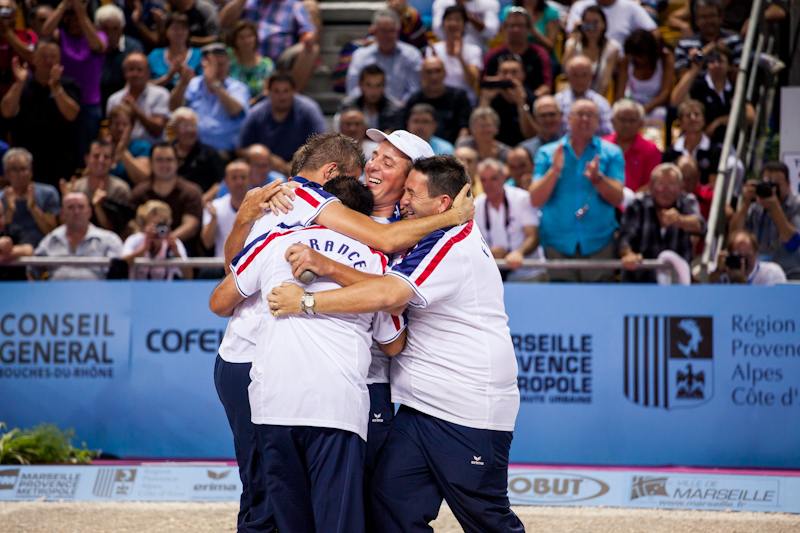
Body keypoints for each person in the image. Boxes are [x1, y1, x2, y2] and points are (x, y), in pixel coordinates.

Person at [208, 131, 470, 533]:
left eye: (388, 161)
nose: (372, 167)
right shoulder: (302, 200)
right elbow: (231, 279)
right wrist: (245, 219)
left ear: (413, 181)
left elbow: (390, 295)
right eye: (373, 158)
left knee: (348, 501)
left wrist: (317, 284)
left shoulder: (412, 227)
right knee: (270, 500)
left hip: (355, 380)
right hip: (265, 361)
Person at [266, 154, 524, 533]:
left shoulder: (451, 243)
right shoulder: (430, 237)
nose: (402, 200)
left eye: (411, 194)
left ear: (443, 205)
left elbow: (390, 295)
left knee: (486, 519)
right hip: (421, 407)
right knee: (389, 507)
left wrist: (307, 301)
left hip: (467, 410)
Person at [211, 178, 407, 533]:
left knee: (288, 522)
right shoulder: (376, 264)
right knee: (339, 522)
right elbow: (393, 342)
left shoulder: (275, 242)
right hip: (337, 406)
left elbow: (219, 302)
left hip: (274, 403)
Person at [530, 98, 624, 282]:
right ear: (569, 119)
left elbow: (617, 198)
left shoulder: (612, 152)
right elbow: (535, 199)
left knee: (600, 306)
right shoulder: (547, 153)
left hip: (600, 243)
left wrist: (599, 178)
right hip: (557, 244)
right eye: (580, 114)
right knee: (562, 307)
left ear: (598, 121)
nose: (584, 119)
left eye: (590, 115)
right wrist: (554, 171)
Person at [1, 41, 81, 188]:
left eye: (53, 56)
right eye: (43, 56)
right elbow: (6, 111)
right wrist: (18, 83)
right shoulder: (23, 86)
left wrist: (55, 87)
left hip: (59, 161)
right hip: (27, 163)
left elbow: (71, 114)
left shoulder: (69, 85)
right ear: (34, 58)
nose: (48, 61)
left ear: (59, 60)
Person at [42, 0, 108, 160]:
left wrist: (81, 12)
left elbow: (98, 47)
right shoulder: (61, 36)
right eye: (72, 19)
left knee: (87, 151)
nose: (76, 22)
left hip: (89, 103)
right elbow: (45, 32)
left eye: (79, 19)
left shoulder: (99, 36)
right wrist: (64, 4)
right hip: (62, 99)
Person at [618, 163, 706, 283]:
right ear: (651, 186)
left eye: (672, 184)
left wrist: (680, 220)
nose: (666, 190)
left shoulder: (687, 201)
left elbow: (700, 226)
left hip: (677, 283)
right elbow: (625, 237)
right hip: (640, 282)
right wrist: (628, 255)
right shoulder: (638, 204)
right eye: (660, 184)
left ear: (681, 187)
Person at [237, 71, 328, 176]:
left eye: (286, 91)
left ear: (294, 91)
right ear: (269, 92)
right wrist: (267, 158)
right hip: (264, 172)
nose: (282, 96)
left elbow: (324, 144)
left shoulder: (309, 110)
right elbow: (241, 149)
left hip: (303, 170)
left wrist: (298, 162)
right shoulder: (257, 113)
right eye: (276, 91)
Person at [219, 0, 319, 92]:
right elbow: (222, 23)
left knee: (311, 49)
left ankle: (289, 100)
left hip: (281, 63)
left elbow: (308, 31)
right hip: (245, 59)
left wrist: (308, 38)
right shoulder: (246, 3)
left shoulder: (293, 5)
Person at [170, 42, 250, 155]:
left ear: (228, 65)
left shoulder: (237, 87)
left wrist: (215, 84)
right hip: (192, 150)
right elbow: (174, 107)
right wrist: (183, 83)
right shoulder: (194, 84)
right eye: (213, 65)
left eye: (221, 65)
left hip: (223, 152)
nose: (217, 69)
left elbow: (235, 110)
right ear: (203, 65)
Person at [476, 158, 545, 281]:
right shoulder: (476, 205)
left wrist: (519, 253)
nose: (489, 185)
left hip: (528, 274)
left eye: (493, 178)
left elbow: (533, 236)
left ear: (503, 177)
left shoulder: (522, 198)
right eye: (483, 180)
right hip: (493, 277)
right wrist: (488, 253)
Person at [670, 41, 754, 144]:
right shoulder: (699, 85)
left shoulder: (735, 86)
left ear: (729, 65)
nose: (716, 65)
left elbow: (750, 116)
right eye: (712, 61)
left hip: (730, 142)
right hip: (702, 142)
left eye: (720, 61)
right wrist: (694, 69)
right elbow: (676, 100)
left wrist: (720, 121)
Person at [28, 191, 123, 281]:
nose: (76, 211)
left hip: (96, 295)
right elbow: (31, 269)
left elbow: (119, 272)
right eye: (70, 207)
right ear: (62, 213)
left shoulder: (109, 239)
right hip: (57, 294)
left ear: (89, 212)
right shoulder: (51, 239)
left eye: (81, 207)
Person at [729, 161, 800, 280]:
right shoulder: (755, 207)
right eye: (767, 184)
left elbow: (792, 242)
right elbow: (733, 235)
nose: (772, 189)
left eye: (776, 184)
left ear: (788, 184)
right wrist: (745, 203)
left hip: (791, 275)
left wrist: (775, 208)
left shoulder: (796, 205)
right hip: (758, 277)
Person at [130, 142, 204, 247]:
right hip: (144, 250)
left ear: (177, 162)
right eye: (159, 160)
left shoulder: (191, 192)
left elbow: (191, 226)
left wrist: (165, 242)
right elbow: (131, 224)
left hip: (182, 251)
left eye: (169, 159)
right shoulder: (139, 192)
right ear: (150, 163)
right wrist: (147, 240)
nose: (164, 164)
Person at [346, 9, 422, 104]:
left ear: (398, 32)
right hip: (367, 110)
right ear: (375, 32)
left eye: (391, 31)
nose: (387, 36)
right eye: (383, 31)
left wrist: (398, 108)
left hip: (402, 111)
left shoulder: (411, 54)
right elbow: (353, 90)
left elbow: (415, 89)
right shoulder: (361, 55)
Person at [63, 139, 133, 235]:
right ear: (87, 159)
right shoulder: (74, 188)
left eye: (106, 157)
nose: (101, 160)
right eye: (96, 156)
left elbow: (118, 231)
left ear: (112, 161)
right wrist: (70, 201)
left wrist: (98, 206)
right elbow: (64, 227)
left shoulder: (121, 189)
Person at [484, 6, 551, 96]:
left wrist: (527, 99)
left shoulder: (539, 54)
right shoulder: (493, 55)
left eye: (520, 25)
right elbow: (485, 82)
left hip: (531, 102)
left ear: (528, 28)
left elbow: (546, 86)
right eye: (512, 26)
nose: (516, 30)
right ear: (505, 28)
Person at [106, 51, 170, 145]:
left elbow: (158, 130)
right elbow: (111, 132)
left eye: (139, 70)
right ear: (124, 73)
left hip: (153, 150)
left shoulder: (161, 94)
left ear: (148, 72)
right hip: (122, 149)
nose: (135, 73)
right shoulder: (114, 99)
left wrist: (135, 109)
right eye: (131, 69)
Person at [404, 56, 472, 144]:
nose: (434, 77)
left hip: (452, 149)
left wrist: (457, 150)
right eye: (429, 72)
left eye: (438, 71)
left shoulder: (459, 97)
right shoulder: (414, 100)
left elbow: (465, 127)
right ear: (422, 75)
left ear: (445, 73)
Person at [0, 147, 59, 247]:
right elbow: (3, 235)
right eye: (14, 169)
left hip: (44, 253)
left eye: (23, 168)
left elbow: (52, 233)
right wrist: (10, 211)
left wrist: (34, 208)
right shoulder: (1, 198)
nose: (20, 174)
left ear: (31, 171)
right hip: (12, 255)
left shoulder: (48, 193)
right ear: (6, 173)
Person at [425, 4, 482, 106]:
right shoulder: (433, 49)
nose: (453, 23)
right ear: (443, 23)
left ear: (464, 24)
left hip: (466, 102)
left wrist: (459, 57)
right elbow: (428, 80)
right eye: (449, 19)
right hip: (440, 100)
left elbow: (472, 81)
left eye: (457, 19)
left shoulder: (474, 50)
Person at [615, 29, 673, 123]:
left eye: (640, 56)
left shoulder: (665, 58)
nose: (637, 60)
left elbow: (665, 93)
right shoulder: (627, 61)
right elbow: (619, 95)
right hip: (630, 106)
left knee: (661, 114)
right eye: (634, 56)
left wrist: (644, 110)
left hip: (654, 108)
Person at [673, 0, 743, 79]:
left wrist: (724, 56)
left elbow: (741, 78)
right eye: (704, 17)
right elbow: (681, 79)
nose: (709, 21)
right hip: (696, 91)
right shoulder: (684, 44)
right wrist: (700, 56)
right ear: (696, 20)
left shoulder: (735, 40)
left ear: (721, 17)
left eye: (712, 16)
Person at [122, 199, 189, 280]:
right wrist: (143, 249)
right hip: (136, 290)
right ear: (143, 226)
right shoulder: (134, 240)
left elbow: (188, 275)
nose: (156, 230)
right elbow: (121, 264)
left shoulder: (174, 243)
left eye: (159, 225)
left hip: (166, 291)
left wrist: (176, 253)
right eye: (153, 225)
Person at [603, 99, 662, 192]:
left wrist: (630, 200)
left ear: (640, 124)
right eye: (622, 120)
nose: (627, 125)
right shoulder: (602, 145)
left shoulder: (650, 150)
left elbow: (652, 184)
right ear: (613, 122)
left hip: (638, 203)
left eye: (632, 121)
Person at [479, 56, 536, 147]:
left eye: (514, 72)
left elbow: (532, 136)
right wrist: (485, 100)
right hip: (494, 149)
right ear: (497, 75)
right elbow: (478, 133)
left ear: (523, 75)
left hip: (525, 150)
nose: (509, 77)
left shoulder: (532, 99)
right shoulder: (492, 97)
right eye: (504, 72)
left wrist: (521, 103)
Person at [563, 5, 619, 98]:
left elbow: (605, 81)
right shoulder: (572, 44)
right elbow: (565, 68)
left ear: (604, 24)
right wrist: (576, 37)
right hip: (572, 95)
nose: (591, 26)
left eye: (595, 22)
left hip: (597, 95)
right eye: (587, 23)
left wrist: (596, 101)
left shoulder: (613, 47)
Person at [95, 4, 143, 111]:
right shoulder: (92, 46)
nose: (111, 33)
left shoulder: (133, 47)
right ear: (97, 29)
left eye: (115, 28)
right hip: (96, 99)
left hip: (124, 100)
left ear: (122, 29)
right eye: (105, 28)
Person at [554, 55, 613, 137]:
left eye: (584, 75)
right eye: (575, 75)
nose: (580, 80)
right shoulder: (556, 102)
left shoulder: (601, 103)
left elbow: (608, 134)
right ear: (567, 76)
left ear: (591, 76)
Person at [336, 64, 405, 133]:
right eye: (368, 85)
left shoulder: (396, 109)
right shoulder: (348, 106)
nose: (373, 90)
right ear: (360, 85)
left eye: (378, 85)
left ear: (384, 86)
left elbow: (397, 137)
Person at [201, 159, 250, 258]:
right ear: (226, 181)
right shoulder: (215, 207)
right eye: (234, 177)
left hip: (252, 264)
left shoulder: (262, 206)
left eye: (243, 177)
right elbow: (207, 243)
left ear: (250, 179)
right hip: (222, 265)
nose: (239, 182)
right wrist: (214, 218)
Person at [171, 106, 225, 193]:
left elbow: (219, 183)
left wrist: (203, 200)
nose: (189, 130)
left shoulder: (209, 153)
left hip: (203, 201)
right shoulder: (167, 152)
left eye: (192, 126)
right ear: (174, 129)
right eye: (184, 126)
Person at [566, 0, 658, 50]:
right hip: (585, 59)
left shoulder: (630, 6)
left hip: (622, 64)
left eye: (596, 22)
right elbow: (571, 38)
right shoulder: (579, 6)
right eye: (590, 22)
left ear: (604, 25)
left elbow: (654, 32)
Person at [147, 12, 203, 91]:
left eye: (183, 28)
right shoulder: (155, 55)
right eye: (175, 28)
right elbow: (145, 85)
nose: (179, 32)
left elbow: (205, 86)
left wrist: (187, 76)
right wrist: (168, 76)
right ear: (166, 31)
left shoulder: (199, 54)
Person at [711, 229, 787, 285]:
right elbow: (701, 290)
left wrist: (741, 281)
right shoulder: (720, 268)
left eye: (746, 257)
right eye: (738, 257)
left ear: (756, 255)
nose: (742, 262)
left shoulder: (770, 273)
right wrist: (717, 272)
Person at [228, 20, 275, 105]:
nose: (246, 41)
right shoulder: (229, 60)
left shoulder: (266, 64)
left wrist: (250, 103)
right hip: (231, 105)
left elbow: (266, 92)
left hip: (257, 106)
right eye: (241, 37)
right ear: (235, 40)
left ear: (255, 38)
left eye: (249, 36)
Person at [105, 103, 152, 185]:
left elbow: (144, 179)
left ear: (132, 126)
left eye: (125, 124)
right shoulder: (102, 147)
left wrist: (123, 152)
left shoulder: (142, 147)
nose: (120, 128)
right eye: (116, 124)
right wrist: (104, 151)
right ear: (109, 125)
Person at [432, 0, 500, 54]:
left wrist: (467, 15)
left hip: (479, 52)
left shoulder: (489, 2)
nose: (453, 22)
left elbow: (492, 33)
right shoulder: (441, 2)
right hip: (448, 52)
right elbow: (438, 32)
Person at [0, 0, 36, 97]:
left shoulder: (28, 36)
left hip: (21, 95)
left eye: (7, 11)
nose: (3, 15)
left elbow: (33, 58)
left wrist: (8, 33)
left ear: (15, 15)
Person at [519, 95, 562, 161]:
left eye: (552, 114)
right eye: (543, 115)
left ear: (560, 115)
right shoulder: (525, 150)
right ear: (535, 117)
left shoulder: (571, 147)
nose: (548, 120)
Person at [0, 200, 34, 281]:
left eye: (0, 216)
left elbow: (29, 250)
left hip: (17, 285)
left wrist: (7, 250)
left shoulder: (13, 230)